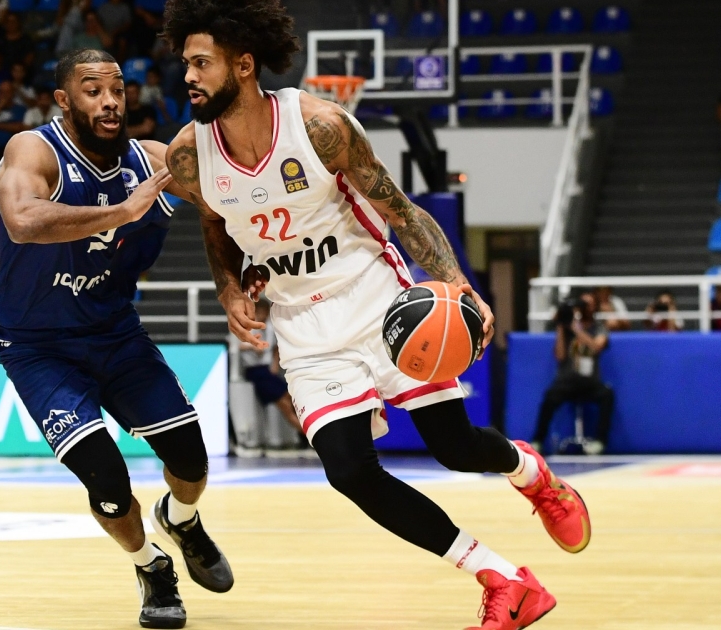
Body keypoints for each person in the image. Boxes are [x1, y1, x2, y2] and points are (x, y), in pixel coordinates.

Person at [161, 2, 591, 627]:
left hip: (377, 297)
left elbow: (401, 211)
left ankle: (532, 474)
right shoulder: (188, 154)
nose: (189, 76)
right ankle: (502, 577)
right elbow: (214, 224)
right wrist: (229, 287)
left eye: (201, 63)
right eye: (186, 64)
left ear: (244, 65)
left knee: (455, 447)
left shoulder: (320, 127)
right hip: (302, 325)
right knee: (349, 472)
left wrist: (458, 283)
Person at [0, 47, 232, 629]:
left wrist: (232, 280)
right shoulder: (33, 150)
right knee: (108, 483)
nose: (110, 101)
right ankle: (152, 567)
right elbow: (23, 221)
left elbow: (226, 205)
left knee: (191, 459)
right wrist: (123, 211)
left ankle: (182, 520)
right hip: (37, 346)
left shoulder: (155, 160)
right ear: (64, 100)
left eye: (118, 89)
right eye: (93, 91)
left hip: (114, 333)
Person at [532, 292, 612, 457]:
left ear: (595, 307)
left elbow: (597, 346)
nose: (585, 307)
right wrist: (561, 326)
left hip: (589, 381)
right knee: (550, 397)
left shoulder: (598, 327)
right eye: (582, 303)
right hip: (567, 381)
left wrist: (577, 329)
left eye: (589, 304)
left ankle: (600, 442)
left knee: (607, 395)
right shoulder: (566, 329)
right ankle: (537, 440)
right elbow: (560, 355)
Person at [239, 299, 305, 444]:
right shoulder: (248, 327)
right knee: (285, 405)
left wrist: (275, 365)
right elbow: (238, 345)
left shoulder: (269, 328)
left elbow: (275, 348)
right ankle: (307, 435)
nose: (262, 315)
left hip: (267, 371)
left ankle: (304, 433)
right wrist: (253, 346)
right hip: (256, 371)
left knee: (291, 398)